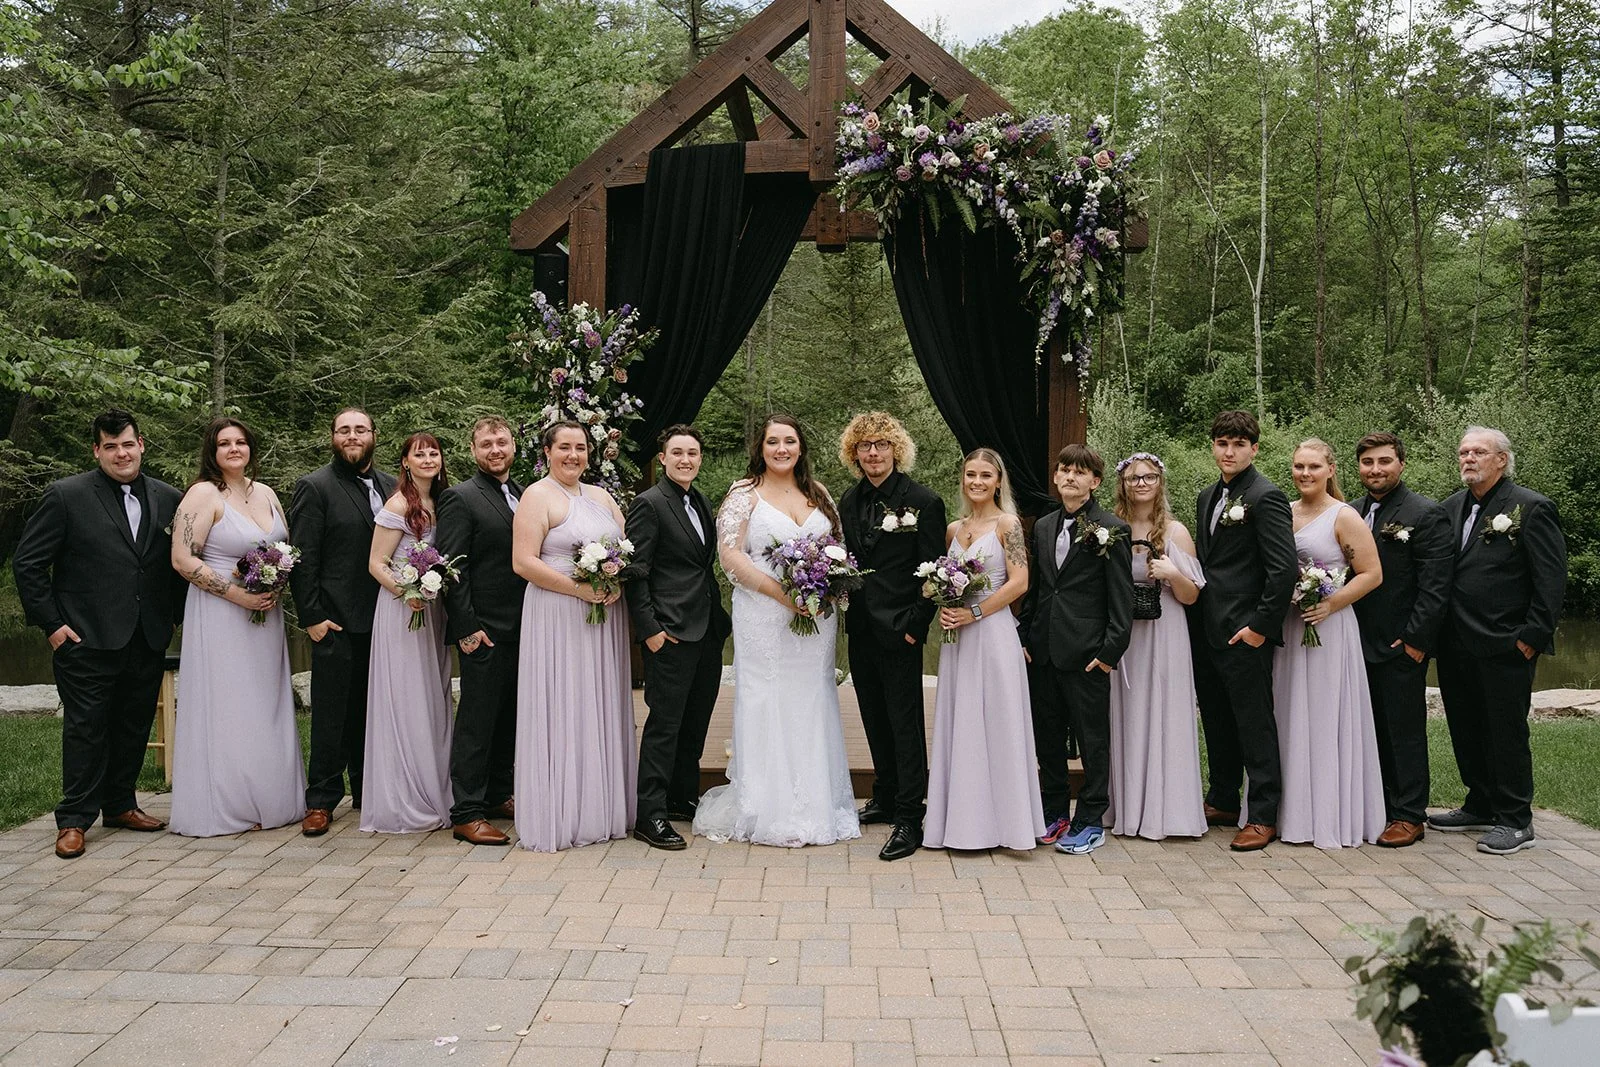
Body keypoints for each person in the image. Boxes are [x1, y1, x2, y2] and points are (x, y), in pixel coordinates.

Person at [13, 410, 186, 860]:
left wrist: (176, 618)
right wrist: (52, 625)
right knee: (87, 728)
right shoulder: (66, 496)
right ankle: (73, 818)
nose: (121, 453)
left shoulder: (171, 499)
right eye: (110, 447)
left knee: (132, 722)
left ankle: (121, 804)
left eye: (127, 444)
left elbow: (177, 567)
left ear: (142, 444)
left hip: (146, 634)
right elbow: (28, 564)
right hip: (83, 637)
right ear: (96, 451)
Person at [694, 414, 860, 848]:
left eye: (789, 441)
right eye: (773, 442)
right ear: (761, 449)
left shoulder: (818, 494)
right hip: (766, 617)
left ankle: (816, 803)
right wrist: (785, 596)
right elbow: (731, 557)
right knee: (768, 698)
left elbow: (838, 548)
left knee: (811, 698)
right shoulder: (743, 494)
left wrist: (828, 588)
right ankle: (767, 807)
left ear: (801, 447)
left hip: (815, 619)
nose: (781, 449)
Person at [1431, 426, 1566, 855]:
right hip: (1455, 642)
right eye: (1463, 452)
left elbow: (1550, 580)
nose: (1468, 458)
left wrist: (1531, 638)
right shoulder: (1450, 508)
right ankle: (1480, 802)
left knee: (1505, 731)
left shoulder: (1531, 508)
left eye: (1479, 452)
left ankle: (1515, 819)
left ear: (1501, 460)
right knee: (1465, 727)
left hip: (1506, 642)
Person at [167, 417, 306, 836]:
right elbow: (182, 559)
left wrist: (276, 582)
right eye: (224, 443)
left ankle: (269, 796)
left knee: (265, 702)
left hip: (265, 614)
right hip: (222, 613)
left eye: (241, 442)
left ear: (251, 449)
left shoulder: (265, 493)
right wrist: (238, 595)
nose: (233, 449)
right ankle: (227, 802)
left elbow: (284, 548)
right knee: (229, 702)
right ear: (211, 451)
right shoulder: (202, 494)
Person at [512, 421, 636, 852]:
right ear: (547, 451)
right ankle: (560, 811)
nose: (573, 455)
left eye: (581, 447)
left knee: (596, 701)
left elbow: (627, 547)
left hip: (603, 617)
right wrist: (580, 588)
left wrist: (617, 577)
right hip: (558, 612)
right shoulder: (536, 495)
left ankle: (600, 808)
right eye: (564, 447)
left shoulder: (601, 496)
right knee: (562, 701)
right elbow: (524, 562)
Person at [837, 412, 946, 861]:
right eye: (865, 446)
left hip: (901, 629)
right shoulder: (848, 499)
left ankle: (909, 815)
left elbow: (936, 573)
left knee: (904, 723)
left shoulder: (923, 500)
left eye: (882, 444)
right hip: (861, 626)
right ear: (854, 453)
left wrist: (915, 628)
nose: (873, 453)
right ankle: (884, 795)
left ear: (896, 449)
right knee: (872, 715)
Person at [923, 448, 1043, 851]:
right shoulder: (953, 530)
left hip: (993, 636)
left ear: (998, 482)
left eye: (985, 475)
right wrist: (945, 607)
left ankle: (1008, 827)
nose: (976, 481)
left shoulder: (1008, 525)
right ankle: (961, 823)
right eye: (970, 474)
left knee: (998, 722)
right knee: (963, 723)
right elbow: (946, 581)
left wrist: (973, 612)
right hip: (959, 641)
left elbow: (1020, 582)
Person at [1190, 410, 1297, 851]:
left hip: (1244, 632)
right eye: (1221, 443)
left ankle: (1264, 813)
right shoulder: (1206, 496)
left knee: (1254, 723)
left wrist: (1259, 627)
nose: (1229, 451)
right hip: (1207, 628)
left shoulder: (1265, 496)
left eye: (1238, 444)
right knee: (1216, 718)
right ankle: (1223, 798)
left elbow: (1283, 569)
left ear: (1254, 448)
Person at [1021, 444, 1133, 856]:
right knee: (1047, 737)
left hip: (1088, 654)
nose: (1070, 477)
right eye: (1064, 469)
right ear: (1056, 477)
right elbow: (1038, 588)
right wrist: (1026, 637)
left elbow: (1120, 599)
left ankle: (1090, 819)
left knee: (1092, 740)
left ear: (1095, 481)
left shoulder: (1112, 528)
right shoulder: (1044, 526)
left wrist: (1109, 652)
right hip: (1044, 650)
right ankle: (1055, 811)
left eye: (1079, 472)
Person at [1273, 439, 1386, 849]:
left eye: (1313, 466)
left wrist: (1329, 604)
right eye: (1299, 466)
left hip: (1329, 629)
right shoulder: (1283, 513)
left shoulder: (1344, 516)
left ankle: (1329, 815)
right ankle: (1290, 814)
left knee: (1324, 716)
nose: (1305, 473)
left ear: (1331, 469)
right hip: (1290, 627)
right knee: (1288, 714)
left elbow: (1371, 574)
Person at [624, 424, 731, 851]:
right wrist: (649, 630)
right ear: (662, 458)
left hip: (706, 630)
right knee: (664, 724)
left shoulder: (701, 501)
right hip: (668, 631)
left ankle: (679, 796)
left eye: (693, 453)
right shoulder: (648, 504)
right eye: (678, 453)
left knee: (695, 721)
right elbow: (636, 573)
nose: (687, 460)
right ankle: (648, 814)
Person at [290, 407, 396, 836]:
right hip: (335, 620)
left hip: (386, 621)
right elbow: (303, 558)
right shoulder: (315, 487)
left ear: (374, 434)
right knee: (332, 714)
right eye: (344, 430)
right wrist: (312, 616)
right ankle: (321, 800)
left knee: (373, 713)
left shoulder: (394, 486)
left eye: (360, 429)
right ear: (333, 437)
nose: (352, 436)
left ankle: (369, 789)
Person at [1351, 432, 1453, 848]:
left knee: (1403, 730)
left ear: (1401, 464)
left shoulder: (1425, 514)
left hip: (1399, 644)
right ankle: (1377, 804)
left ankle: (1409, 814)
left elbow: (1436, 586)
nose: (1376, 469)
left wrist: (1415, 641)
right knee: (1367, 728)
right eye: (1368, 462)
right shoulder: (1351, 512)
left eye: (1384, 461)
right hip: (1354, 643)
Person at [1106, 452, 1206, 841]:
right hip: (1125, 635)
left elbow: (1192, 596)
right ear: (1123, 485)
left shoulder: (1176, 532)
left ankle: (1168, 810)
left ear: (1160, 482)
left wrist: (1172, 573)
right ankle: (1128, 808)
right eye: (1133, 478)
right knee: (1127, 713)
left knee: (1163, 712)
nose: (1141, 484)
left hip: (1165, 632)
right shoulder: (1113, 529)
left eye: (1148, 477)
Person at [362, 432, 455, 834]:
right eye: (420, 453)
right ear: (405, 462)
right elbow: (377, 563)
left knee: (432, 698)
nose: (428, 458)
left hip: (432, 613)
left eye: (433, 452)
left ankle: (435, 785)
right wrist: (408, 591)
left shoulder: (441, 501)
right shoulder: (399, 504)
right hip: (402, 612)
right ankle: (405, 797)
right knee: (406, 698)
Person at [437, 417, 523, 846]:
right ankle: (466, 812)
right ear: (473, 450)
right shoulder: (459, 498)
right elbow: (452, 569)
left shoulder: (525, 495)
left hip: (524, 628)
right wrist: (467, 628)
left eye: (502, 442)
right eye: (486, 443)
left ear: (514, 446)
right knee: (476, 721)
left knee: (508, 717)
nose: (495, 449)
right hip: (485, 631)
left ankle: (496, 794)